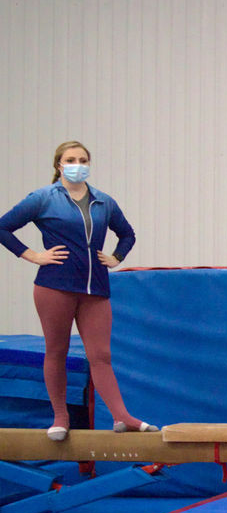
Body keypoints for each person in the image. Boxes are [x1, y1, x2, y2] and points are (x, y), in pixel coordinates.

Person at [0, 140, 157, 440]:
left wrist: (116, 257)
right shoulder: (43, 198)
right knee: (56, 351)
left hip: (95, 289)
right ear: (59, 165)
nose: (77, 164)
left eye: (83, 159)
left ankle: (121, 417)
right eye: (71, 159)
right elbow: (3, 227)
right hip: (54, 287)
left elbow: (127, 234)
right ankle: (60, 418)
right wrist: (32, 255)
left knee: (101, 355)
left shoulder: (103, 201)